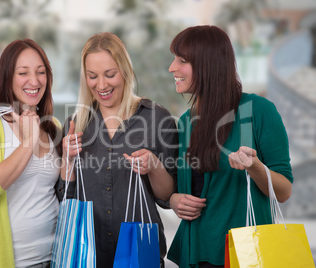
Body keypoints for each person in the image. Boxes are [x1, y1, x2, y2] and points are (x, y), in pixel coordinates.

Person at [167, 25, 294, 268]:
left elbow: (284, 191)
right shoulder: (185, 122)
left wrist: (254, 166)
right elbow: (181, 186)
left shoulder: (258, 110)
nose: (172, 67)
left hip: (247, 255)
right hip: (195, 253)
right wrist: (174, 199)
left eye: (182, 60)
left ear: (208, 64)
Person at [56, 32, 178, 267]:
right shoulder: (75, 124)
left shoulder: (156, 118)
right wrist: (68, 161)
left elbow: (165, 197)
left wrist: (153, 167)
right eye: (92, 76)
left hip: (140, 253)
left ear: (125, 71)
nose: (101, 85)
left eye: (110, 74)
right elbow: (65, 198)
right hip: (88, 254)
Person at [0, 39, 62, 268]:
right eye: (23, 73)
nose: (34, 81)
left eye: (41, 72)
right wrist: (29, 140)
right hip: (13, 261)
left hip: (58, 257)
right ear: (7, 76)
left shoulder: (52, 125)